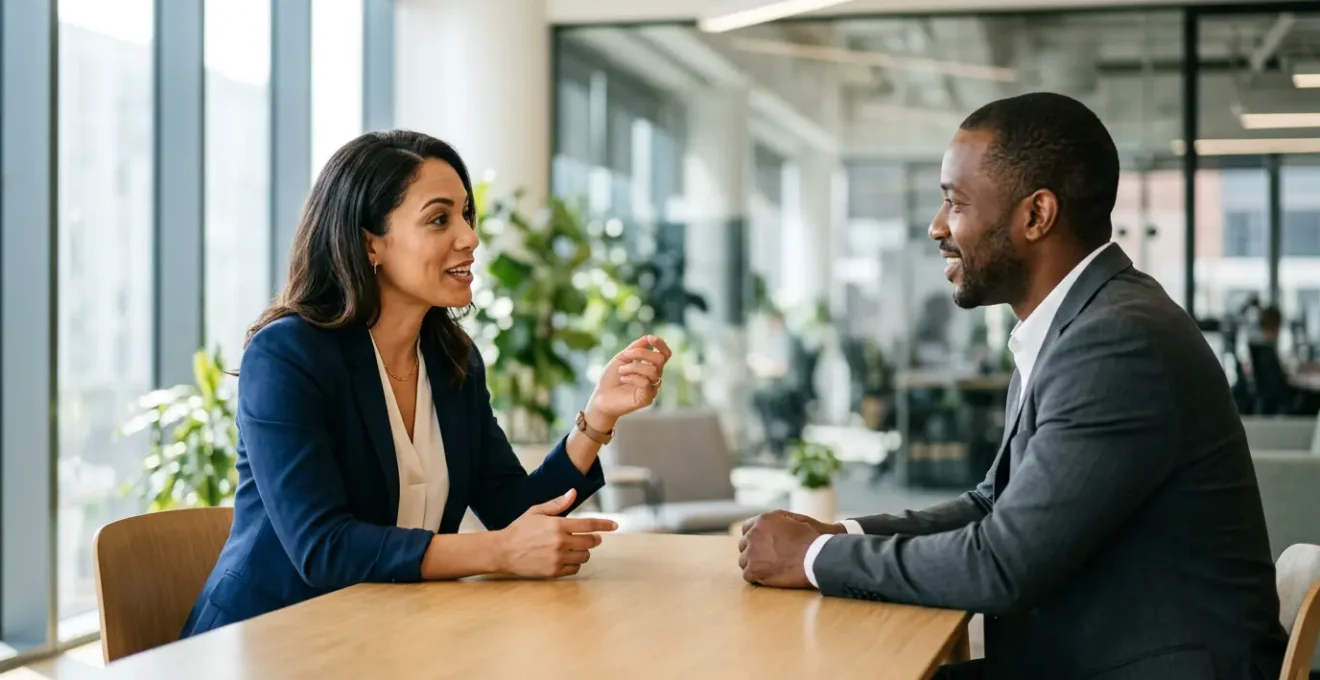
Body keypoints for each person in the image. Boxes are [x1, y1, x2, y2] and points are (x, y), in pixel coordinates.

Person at [738, 93, 1287, 679]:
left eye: (955, 202)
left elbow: (1003, 564)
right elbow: (992, 505)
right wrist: (838, 531)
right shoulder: (1079, 323)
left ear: (1036, 215)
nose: (937, 226)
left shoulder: (1117, 342)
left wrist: (816, 558)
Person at [181, 130, 671, 637]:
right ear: (370, 241)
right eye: (440, 219)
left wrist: (597, 419)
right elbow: (323, 547)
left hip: (387, 636)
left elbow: (510, 511)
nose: (470, 237)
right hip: (267, 642)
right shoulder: (288, 356)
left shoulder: (451, 360)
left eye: (465, 214)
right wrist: (499, 552)